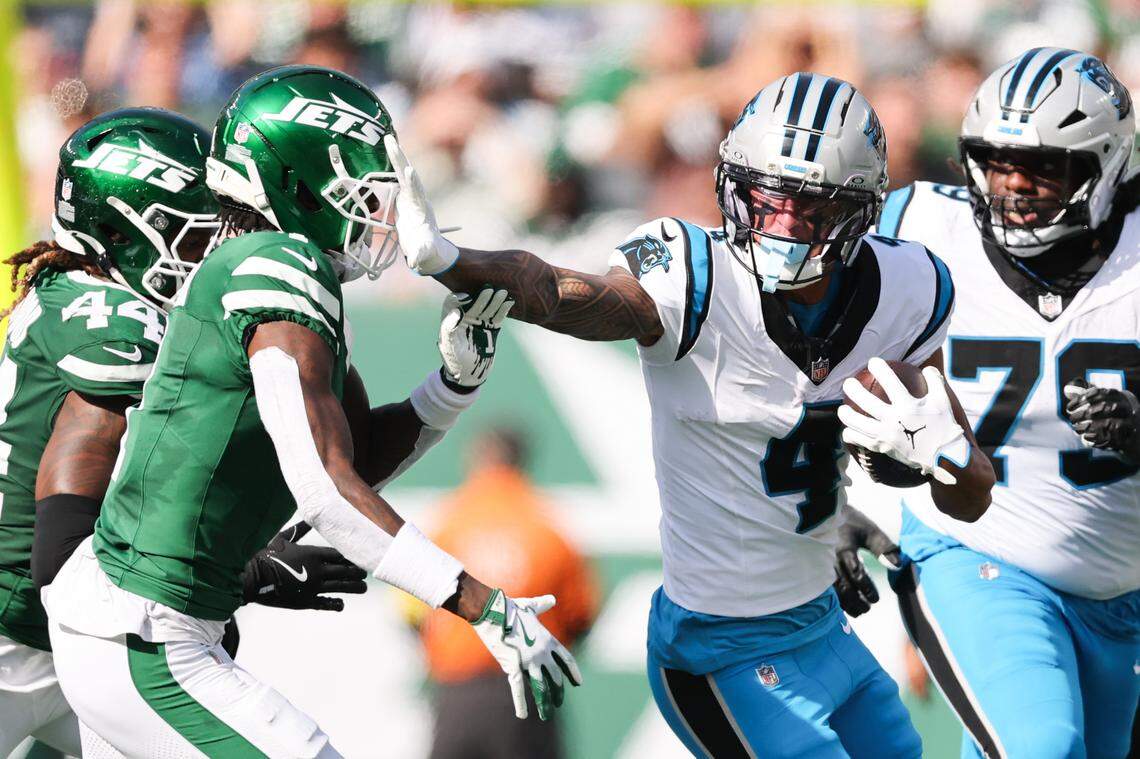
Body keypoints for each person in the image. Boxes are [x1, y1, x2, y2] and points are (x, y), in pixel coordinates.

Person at [394, 71, 996, 758]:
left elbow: (971, 494)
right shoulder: (693, 271)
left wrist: (938, 453)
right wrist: (456, 262)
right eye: (764, 199)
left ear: (858, 211)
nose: (781, 225)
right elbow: (572, 294)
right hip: (720, 649)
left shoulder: (910, 288)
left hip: (824, 628)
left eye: (808, 207)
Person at [42, 66, 580, 758]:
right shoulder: (275, 263)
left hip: (147, 627)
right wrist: (483, 606)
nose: (376, 205)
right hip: (143, 630)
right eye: (357, 180)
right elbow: (327, 491)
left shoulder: (275, 268)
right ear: (295, 184)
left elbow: (352, 459)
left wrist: (451, 384)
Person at [0, 107, 378, 758]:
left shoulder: (95, 288)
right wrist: (249, 572)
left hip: (70, 636)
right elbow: (61, 550)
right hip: (25, 622)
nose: (211, 243)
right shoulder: (111, 315)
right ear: (117, 233)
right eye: (187, 227)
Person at [847, 48, 1140, 759]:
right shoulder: (916, 226)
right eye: (997, 159)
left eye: (1044, 165)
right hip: (977, 552)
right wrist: (822, 503)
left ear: (1107, 165)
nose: (1015, 184)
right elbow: (788, 349)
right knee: (1041, 748)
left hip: (1124, 588)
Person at [412, 426, 599, 759]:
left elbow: (410, 612)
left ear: (474, 459)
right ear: (522, 460)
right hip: (528, 690)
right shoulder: (549, 527)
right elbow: (581, 614)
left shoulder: (445, 523)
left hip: (458, 694)